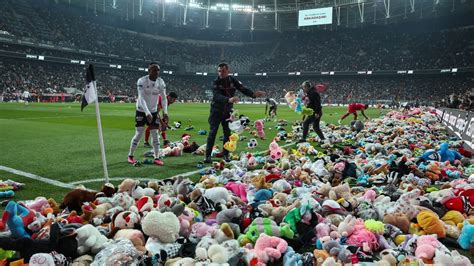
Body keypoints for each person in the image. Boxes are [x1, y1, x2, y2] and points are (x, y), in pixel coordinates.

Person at [204, 63, 266, 163]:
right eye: (219, 71)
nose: (221, 73)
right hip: (216, 111)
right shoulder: (215, 82)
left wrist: (253, 94)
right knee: (212, 133)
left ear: (228, 71)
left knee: (227, 134)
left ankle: (226, 154)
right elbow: (216, 96)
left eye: (223, 71)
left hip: (227, 112)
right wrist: (229, 99)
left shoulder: (233, 80)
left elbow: (243, 89)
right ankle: (207, 156)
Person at [127, 62, 168, 166]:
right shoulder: (142, 81)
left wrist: (165, 112)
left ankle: (157, 157)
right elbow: (141, 97)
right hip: (141, 110)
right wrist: (146, 112)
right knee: (139, 133)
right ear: (149, 70)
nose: (156, 72)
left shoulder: (161, 82)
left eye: (158, 70)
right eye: (154, 70)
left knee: (155, 134)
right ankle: (130, 156)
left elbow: (163, 98)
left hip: (153, 111)